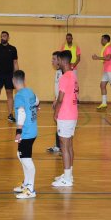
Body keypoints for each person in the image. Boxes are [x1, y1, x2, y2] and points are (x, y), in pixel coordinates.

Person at [12, 70, 40, 199]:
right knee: (20, 154)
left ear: (13, 81)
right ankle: (26, 183)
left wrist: (18, 131)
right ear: (24, 79)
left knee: (26, 159)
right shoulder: (30, 92)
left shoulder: (18, 96)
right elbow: (37, 102)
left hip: (26, 132)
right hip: (33, 130)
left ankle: (31, 189)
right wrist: (35, 108)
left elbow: (22, 113)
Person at [52, 51, 79, 187]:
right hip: (73, 114)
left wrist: (56, 113)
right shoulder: (73, 75)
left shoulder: (65, 77)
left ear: (63, 61)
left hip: (65, 115)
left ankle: (67, 179)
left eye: (58, 60)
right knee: (69, 145)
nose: (56, 62)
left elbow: (61, 99)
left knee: (64, 146)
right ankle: (69, 174)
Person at [0, 31, 19, 123]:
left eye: (5, 36)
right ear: (0, 37)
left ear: (8, 38)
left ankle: (10, 115)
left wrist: (16, 76)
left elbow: (15, 63)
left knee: (10, 94)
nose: (3, 37)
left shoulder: (13, 49)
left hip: (9, 75)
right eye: (2, 36)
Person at [92, 34, 111, 112]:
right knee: (102, 85)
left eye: (102, 40)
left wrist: (97, 57)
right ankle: (104, 103)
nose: (101, 41)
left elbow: (108, 58)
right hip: (106, 70)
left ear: (105, 40)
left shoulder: (109, 47)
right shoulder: (106, 47)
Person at [47, 51, 63, 154]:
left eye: (54, 59)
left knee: (61, 125)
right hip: (58, 101)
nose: (52, 61)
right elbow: (58, 88)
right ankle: (58, 146)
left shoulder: (64, 72)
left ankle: (62, 148)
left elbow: (64, 90)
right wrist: (55, 98)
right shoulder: (58, 72)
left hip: (62, 103)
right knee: (58, 125)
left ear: (59, 60)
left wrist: (58, 101)